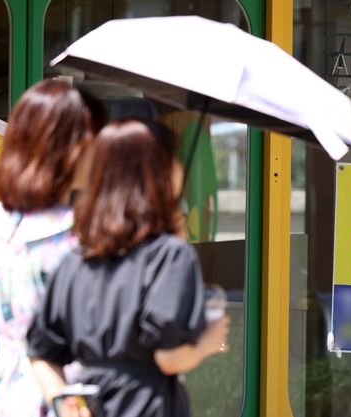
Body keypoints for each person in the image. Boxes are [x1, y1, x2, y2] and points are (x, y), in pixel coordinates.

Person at [27, 120, 229, 417]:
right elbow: (169, 358)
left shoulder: (75, 260)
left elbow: (41, 353)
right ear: (153, 173)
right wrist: (207, 343)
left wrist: (64, 403)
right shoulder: (169, 255)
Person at [0, 79, 106, 417]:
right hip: (63, 397)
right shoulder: (75, 233)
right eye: (92, 139)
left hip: (5, 392)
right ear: (65, 147)